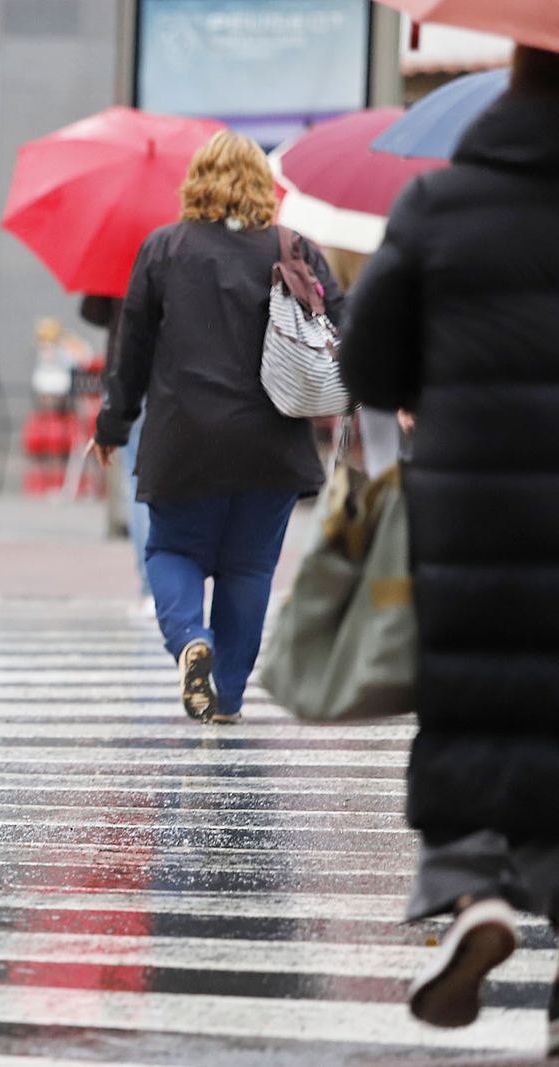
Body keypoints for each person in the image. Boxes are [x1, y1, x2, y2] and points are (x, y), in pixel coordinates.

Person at [338, 45, 559, 1058]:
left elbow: (368, 362)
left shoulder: (439, 203)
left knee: (474, 696)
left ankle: (471, 886)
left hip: (470, 509)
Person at [90, 130, 344, 726]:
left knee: (172, 549)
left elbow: (132, 351)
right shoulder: (295, 248)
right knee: (249, 569)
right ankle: (225, 698)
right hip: (273, 443)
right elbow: (343, 322)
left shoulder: (164, 248)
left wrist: (112, 425)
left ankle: (189, 642)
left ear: (196, 181)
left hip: (185, 441)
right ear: (263, 185)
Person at [81, 294, 151, 614]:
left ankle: (149, 585)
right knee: (163, 483)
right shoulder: (174, 248)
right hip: (168, 375)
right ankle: (167, 583)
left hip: (123, 372)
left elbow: (91, 310)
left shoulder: (116, 255)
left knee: (137, 481)